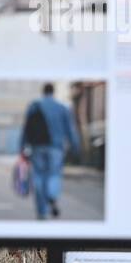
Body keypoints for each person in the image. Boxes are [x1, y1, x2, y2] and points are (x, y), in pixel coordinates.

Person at [20, 83, 81, 219]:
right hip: (56, 148)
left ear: (43, 92)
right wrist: (76, 147)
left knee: (39, 177)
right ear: (53, 92)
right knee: (53, 174)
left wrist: (22, 147)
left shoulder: (34, 106)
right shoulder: (62, 108)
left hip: (37, 147)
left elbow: (26, 128)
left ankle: (42, 211)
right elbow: (71, 130)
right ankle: (52, 196)